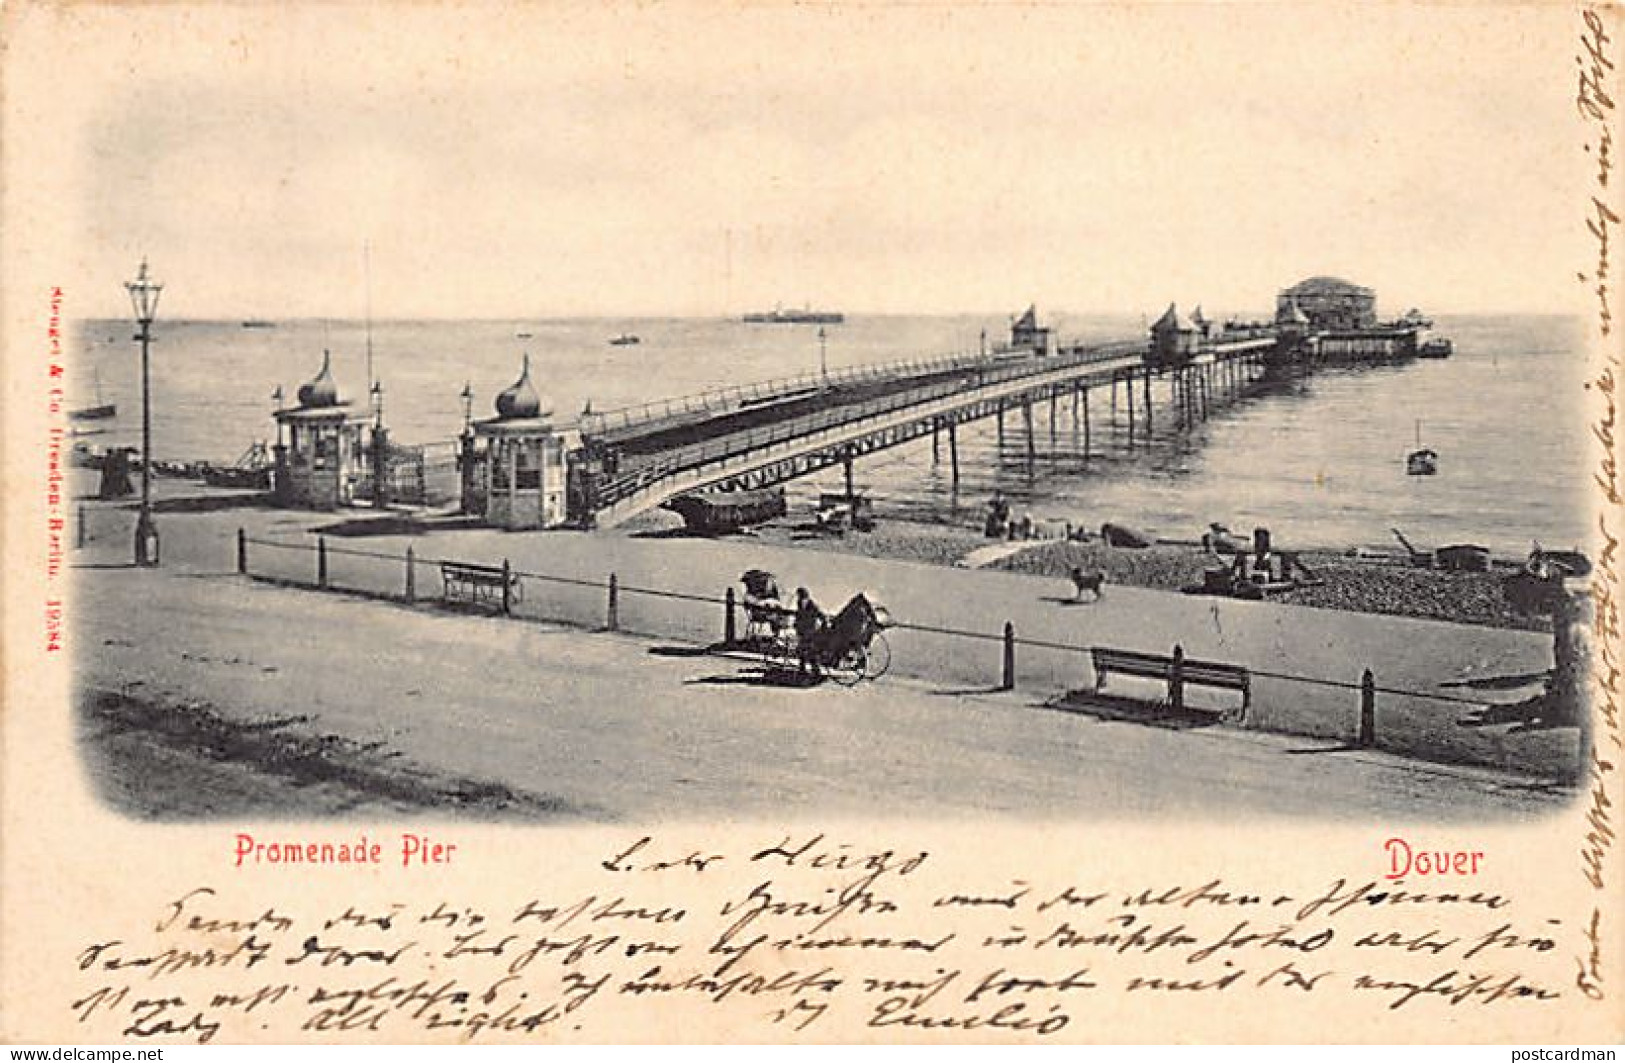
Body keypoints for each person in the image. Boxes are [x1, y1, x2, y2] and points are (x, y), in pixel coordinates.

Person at [794, 587, 827, 677]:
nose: (799, 598)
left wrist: (823, 629)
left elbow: (822, 616)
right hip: (803, 632)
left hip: (811, 632)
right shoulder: (800, 604)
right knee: (802, 651)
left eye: (800, 596)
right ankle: (802, 670)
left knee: (811, 651)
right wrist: (796, 624)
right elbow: (799, 616)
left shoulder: (812, 605)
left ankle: (816, 671)